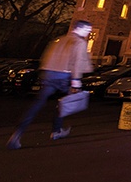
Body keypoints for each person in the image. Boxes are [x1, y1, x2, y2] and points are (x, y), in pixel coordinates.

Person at [6, 20, 94, 150]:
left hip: (49, 75)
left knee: (37, 104)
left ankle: (17, 134)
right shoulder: (79, 42)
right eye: (87, 30)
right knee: (65, 102)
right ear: (79, 29)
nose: (89, 32)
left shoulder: (59, 40)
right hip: (64, 76)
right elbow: (77, 62)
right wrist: (76, 80)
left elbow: (46, 58)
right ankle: (56, 130)